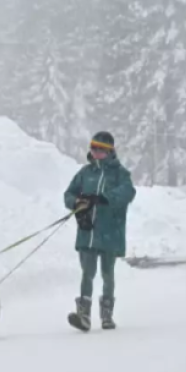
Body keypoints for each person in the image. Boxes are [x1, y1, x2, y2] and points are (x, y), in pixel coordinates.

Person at [63, 131, 136, 331]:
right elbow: (68, 194)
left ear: (110, 151)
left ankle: (107, 315)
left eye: (100, 149)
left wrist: (104, 198)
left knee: (107, 273)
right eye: (93, 148)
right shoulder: (85, 173)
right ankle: (83, 315)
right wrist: (76, 201)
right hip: (87, 231)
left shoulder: (120, 173)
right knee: (87, 272)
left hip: (110, 233)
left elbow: (128, 192)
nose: (95, 152)